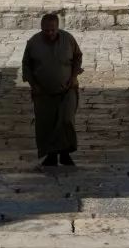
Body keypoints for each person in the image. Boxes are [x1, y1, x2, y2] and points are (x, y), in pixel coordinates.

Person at [22, 13, 83, 167]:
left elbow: (77, 57)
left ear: (57, 27)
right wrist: (33, 84)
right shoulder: (34, 43)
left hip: (67, 90)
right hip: (43, 93)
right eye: (46, 30)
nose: (50, 33)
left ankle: (65, 154)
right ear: (42, 28)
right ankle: (51, 155)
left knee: (66, 120)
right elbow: (26, 65)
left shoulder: (68, 39)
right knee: (46, 124)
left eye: (52, 30)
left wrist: (74, 76)